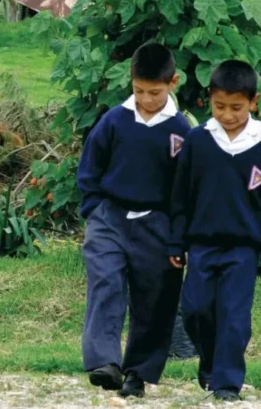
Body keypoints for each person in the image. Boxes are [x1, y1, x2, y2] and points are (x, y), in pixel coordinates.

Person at [168, 60, 261, 401]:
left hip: (244, 249)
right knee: (195, 309)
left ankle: (226, 384)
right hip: (201, 245)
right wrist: (175, 241)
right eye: (219, 106)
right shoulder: (197, 141)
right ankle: (210, 362)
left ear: (253, 102)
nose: (227, 115)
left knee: (234, 316)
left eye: (237, 108)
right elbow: (180, 196)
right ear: (209, 99)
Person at [77, 42, 191, 398]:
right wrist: (94, 209)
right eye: (139, 90)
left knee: (154, 298)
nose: (145, 98)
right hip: (109, 218)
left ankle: (137, 374)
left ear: (172, 83)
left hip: (157, 225)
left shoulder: (182, 131)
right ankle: (104, 363)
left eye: (154, 92)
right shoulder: (114, 120)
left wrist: (178, 237)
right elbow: (90, 167)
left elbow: (185, 189)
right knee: (105, 283)